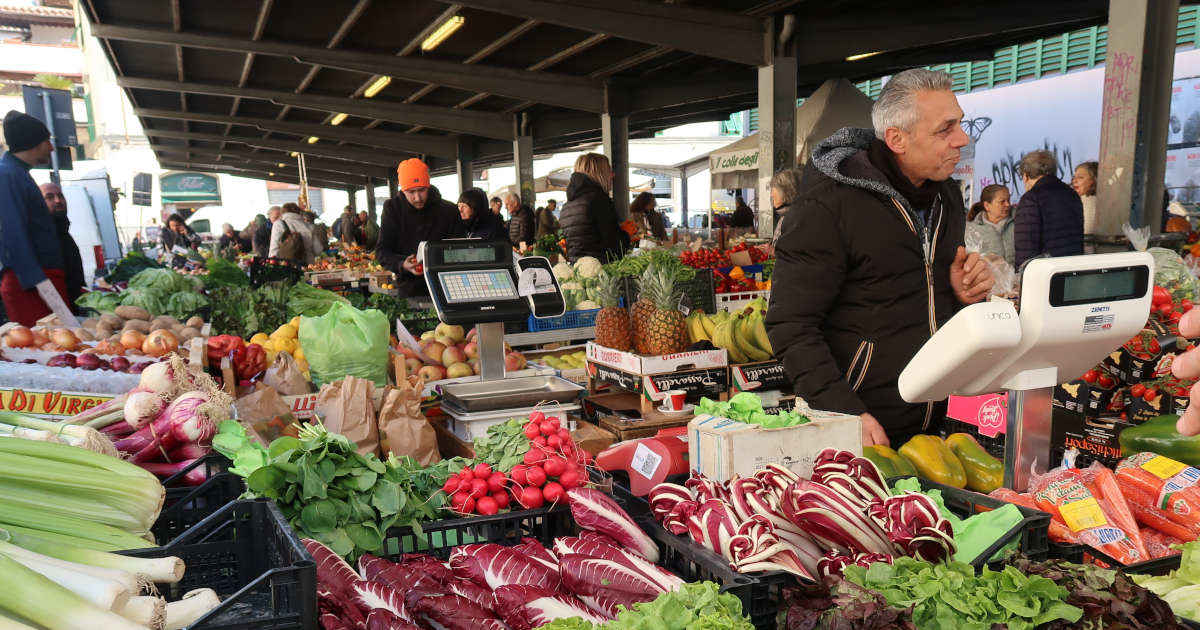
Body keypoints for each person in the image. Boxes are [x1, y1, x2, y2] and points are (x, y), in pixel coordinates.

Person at [765, 69, 994, 447]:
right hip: (867, 427)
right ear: (897, 139)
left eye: (961, 124)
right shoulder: (829, 205)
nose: (962, 139)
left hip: (941, 424)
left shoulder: (947, 197)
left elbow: (912, 297)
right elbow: (790, 326)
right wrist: (845, 411)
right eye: (945, 129)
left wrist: (959, 295)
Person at [0, 111, 73, 327]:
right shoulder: (7, 175)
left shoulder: (16, 173)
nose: (51, 148)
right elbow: (12, 231)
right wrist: (41, 285)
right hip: (30, 283)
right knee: (45, 348)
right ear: (33, 143)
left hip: (37, 278)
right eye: (46, 141)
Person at [375, 158, 457, 297]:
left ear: (428, 186)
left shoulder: (449, 210)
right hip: (410, 289)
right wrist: (402, 264)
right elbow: (382, 251)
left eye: (421, 190)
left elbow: (459, 248)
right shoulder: (393, 209)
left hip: (446, 287)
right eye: (411, 192)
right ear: (403, 189)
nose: (417, 198)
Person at [1013, 149, 1083, 270]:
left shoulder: (1031, 198)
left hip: (1046, 274)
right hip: (1072, 270)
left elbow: (1025, 248)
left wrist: (1021, 278)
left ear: (1025, 176)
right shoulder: (1072, 194)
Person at [560, 153, 625, 263]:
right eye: (608, 170)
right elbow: (615, 246)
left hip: (579, 271)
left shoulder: (568, 205)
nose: (612, 175)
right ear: (600, 173)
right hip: (603, 271)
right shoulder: (598, 199)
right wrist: (627, 236)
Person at [39, 183, 85, 311]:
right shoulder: (41, 236)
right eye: (49, 197)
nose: (58, 200)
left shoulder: (63, 231)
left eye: (60, 196)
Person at [965, 184, 1015, 267]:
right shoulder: (972, 229)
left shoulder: (1020, 223)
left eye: (1008, 200)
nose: (1007, 204)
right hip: (988, 278)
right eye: (1002, 201)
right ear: (987, 206)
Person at [768, 168, 804, 248]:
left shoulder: (796, 219)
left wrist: (774, 252)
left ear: (786, 193)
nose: (771, 195)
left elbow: (793, 254)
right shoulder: (786, 216)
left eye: (773, 197)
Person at [1072, 161, 1099, 234]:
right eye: (1074, 177)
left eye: (1080, 177)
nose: (1074, 181)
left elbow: (1086, 230)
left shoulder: (1090, 202)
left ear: (1094, 180)